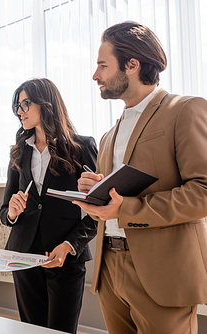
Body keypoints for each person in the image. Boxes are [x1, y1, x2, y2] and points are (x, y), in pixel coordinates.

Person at [75, 21, 207, 334]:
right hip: (110, 273)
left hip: (164, 273)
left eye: (102, 65)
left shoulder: (185, 110)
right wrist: (95, 192)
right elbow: (116, 198)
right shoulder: (109, 135)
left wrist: (127, 209)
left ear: (132, 65)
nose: (96, 76)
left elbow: (202, 192)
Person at [0, 78, 98, 334]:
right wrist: (11, 212)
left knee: (62, 330)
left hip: (64, 255)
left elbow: (100, 211)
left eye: (25, 104)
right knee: (31, 329)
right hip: (23, 254)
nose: (19, 111)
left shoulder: (82, 147)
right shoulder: (18, 151)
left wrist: (70, 245)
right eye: (17, 106)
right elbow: (4, 212)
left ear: (46, 103)